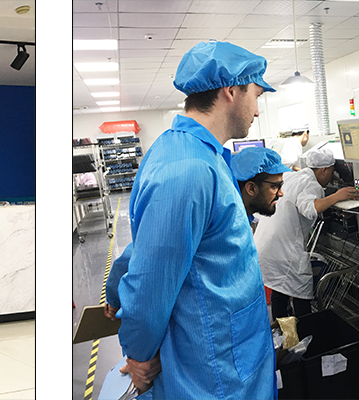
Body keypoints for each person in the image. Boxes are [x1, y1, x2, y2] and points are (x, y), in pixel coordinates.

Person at [113, 40, 278, 399]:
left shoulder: (199, 155)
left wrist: (113, 290)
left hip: (230, 352)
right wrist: (139, 353)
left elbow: (147, 246)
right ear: (230, 90)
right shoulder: (189, 169)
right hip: (214, 371)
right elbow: (150, 282)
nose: (257, 110)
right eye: (256, 95)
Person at [254, 149, 359, 318]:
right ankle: (306, 330)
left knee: (280, 290)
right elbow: (310, 209)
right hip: (283, 251)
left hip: (265, 245)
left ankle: (282, 329)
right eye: (332, 172)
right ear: (324, 170)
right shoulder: (311, 184)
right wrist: (336, 196)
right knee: (301, 292)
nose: (332, 177)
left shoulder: (293, 176)